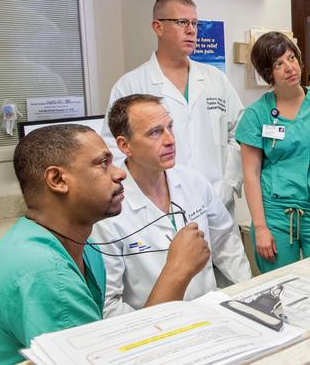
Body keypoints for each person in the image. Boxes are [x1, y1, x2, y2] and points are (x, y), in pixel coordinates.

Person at [0, 125, 210, 364]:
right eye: (103, 163)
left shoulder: (80, 246)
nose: (120, 172)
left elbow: (98, 343)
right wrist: (177, 271)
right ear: (57, 179)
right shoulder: (46, 272)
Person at [101, 0, 251, 284]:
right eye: (182, 22)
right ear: (158, 27)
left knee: (219, 281)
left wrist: (228, 182)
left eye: (195, 23)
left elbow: (239, 133)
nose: (192, 30)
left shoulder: (214, 79)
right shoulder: (132, 84)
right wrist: (141, 197)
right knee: (168, 285)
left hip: (215, 199)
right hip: (154, 208)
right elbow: (112, 149)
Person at [93, 94, 249, 317]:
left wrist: (248, 292)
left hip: (210, 316)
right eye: (155, 132)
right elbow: (110, 306)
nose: (170, 140)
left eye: (170, 127)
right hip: (154, 331)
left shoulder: (193, 182)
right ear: (125, 145)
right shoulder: (108, 211)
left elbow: (226, 243)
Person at [235, 32, 310, 272]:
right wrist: (260, 228)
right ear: (267, 73)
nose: (289, 68)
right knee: (279, 289)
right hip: (275, 215)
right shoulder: (256, 114)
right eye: (278, 64)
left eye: (292, 58)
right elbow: (251, 175)